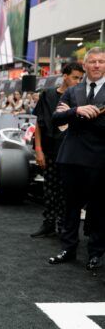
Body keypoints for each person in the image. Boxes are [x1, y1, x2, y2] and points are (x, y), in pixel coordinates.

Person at [49, 47, 105, 270]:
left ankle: (95, 253)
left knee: (99, 209)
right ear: (85, 65)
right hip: (71, 158)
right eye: (93, 61)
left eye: (101, 61)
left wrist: (76, 116)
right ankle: (68, 248)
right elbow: (56, 118)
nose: (97, 65)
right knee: (70, 207)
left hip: (100, 160)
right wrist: (77, 111)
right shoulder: (73, 91)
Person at [31, 63, 84, 238]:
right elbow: (39, 124)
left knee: (67, 191)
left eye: (81, 78)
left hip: (72, 152)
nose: (78, 81)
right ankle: (49, 223)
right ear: (65, 76)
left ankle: (63, 225)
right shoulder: (48, 95)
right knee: (49, 188)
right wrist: (38, 149)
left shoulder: (81, 98)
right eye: (75, 77)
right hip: (50, 150)